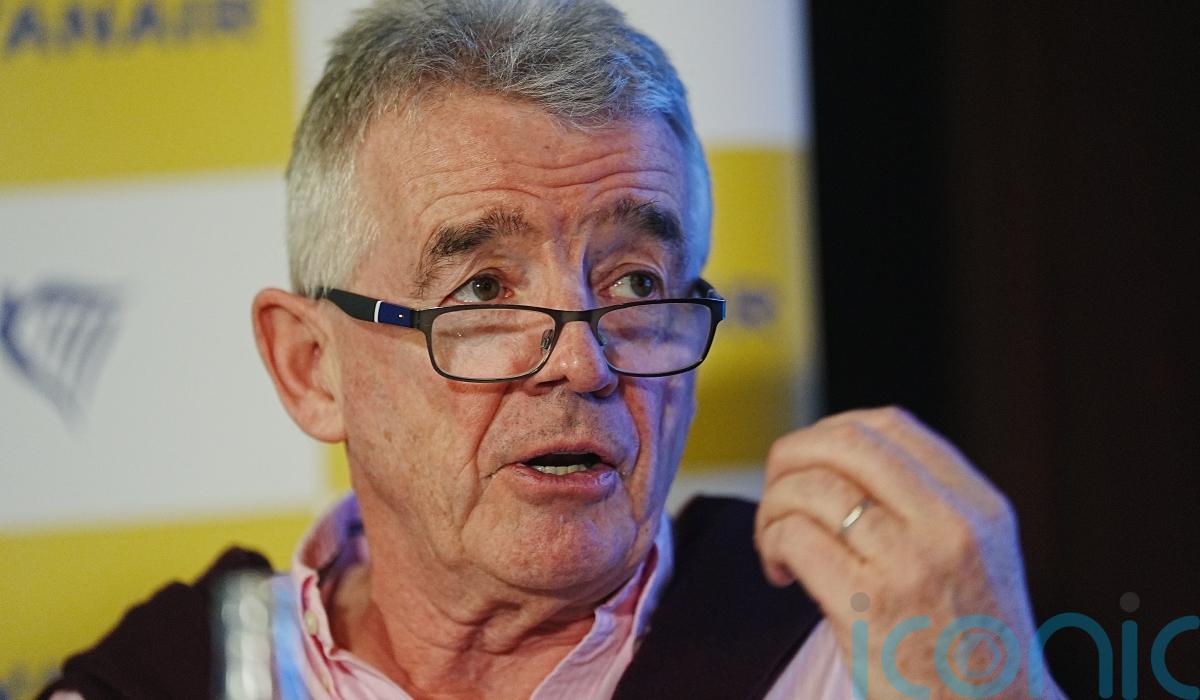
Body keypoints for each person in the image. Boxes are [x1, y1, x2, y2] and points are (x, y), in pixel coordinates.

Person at [43, 1, 1065, 698]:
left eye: (636, 285)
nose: (583, 365)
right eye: (485, 291)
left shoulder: (850, 651)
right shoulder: (188, 676)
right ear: (312, 368)